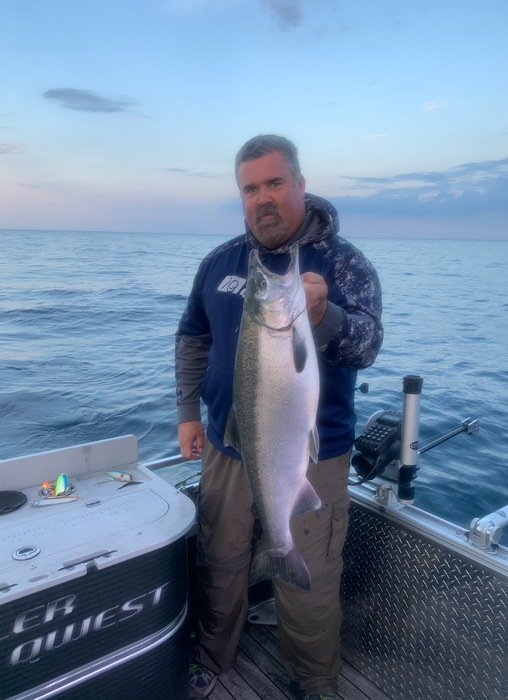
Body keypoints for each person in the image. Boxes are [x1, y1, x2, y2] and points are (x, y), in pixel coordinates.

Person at [176, 135, 383, 700]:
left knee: (309, 580)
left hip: (310, 453)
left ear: (300, 184)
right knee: (219, 560)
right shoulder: (219, 261)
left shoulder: (343, 262)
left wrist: (327, 313)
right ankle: (213, 659)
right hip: (226, 443)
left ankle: (314, 682)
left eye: (274, 183)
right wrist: (187, 413)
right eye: (250, 188)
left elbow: (367, 345)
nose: (262, 198)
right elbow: (192, 336)